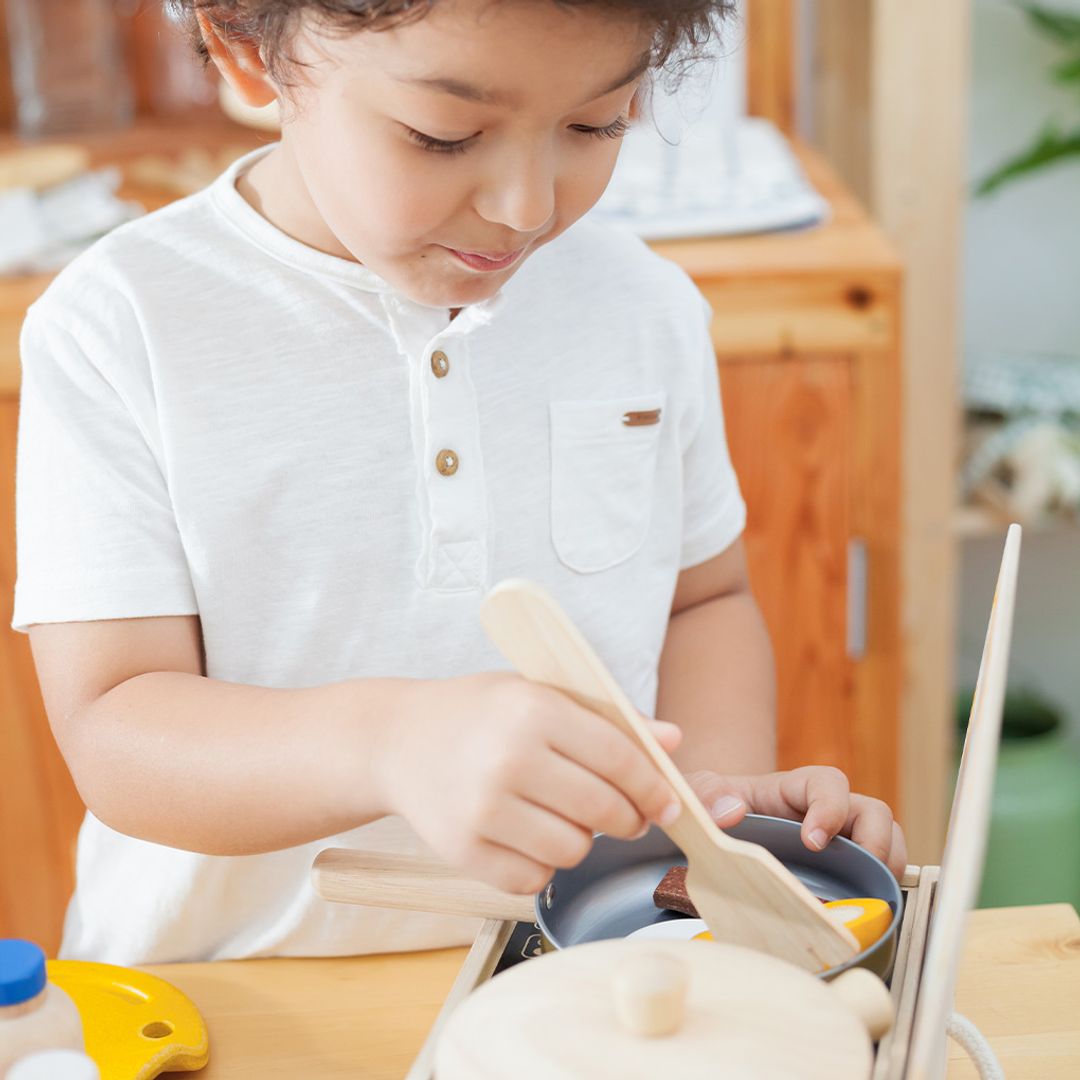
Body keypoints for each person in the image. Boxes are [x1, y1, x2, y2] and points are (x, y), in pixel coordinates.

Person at [13, 0, 906, 965]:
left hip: (579, 974)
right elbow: (115, 725)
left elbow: (704, 600)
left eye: (595, 124)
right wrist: (388, 741)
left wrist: (718, 812)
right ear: (247, 52)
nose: (526, 205)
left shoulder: (643, 305)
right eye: (443, 135)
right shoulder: (122, 326)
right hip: (226, 990)